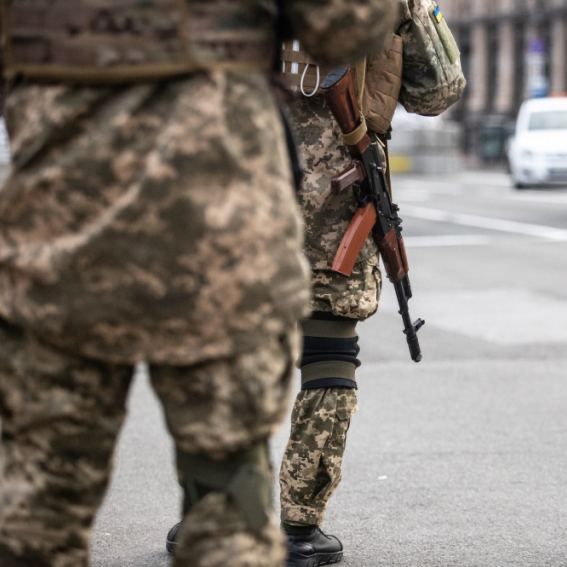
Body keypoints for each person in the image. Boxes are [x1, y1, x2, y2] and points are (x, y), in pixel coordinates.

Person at [0, 1, 398, 566]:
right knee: (225, 514)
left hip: (57, 233)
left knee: (39, 514)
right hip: (215, 240)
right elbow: (348, 29)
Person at [279, 2, 466, 564]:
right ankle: (298, 527)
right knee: (328, 352)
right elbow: (436, 92)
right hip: (335, 188)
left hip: (236, 183)